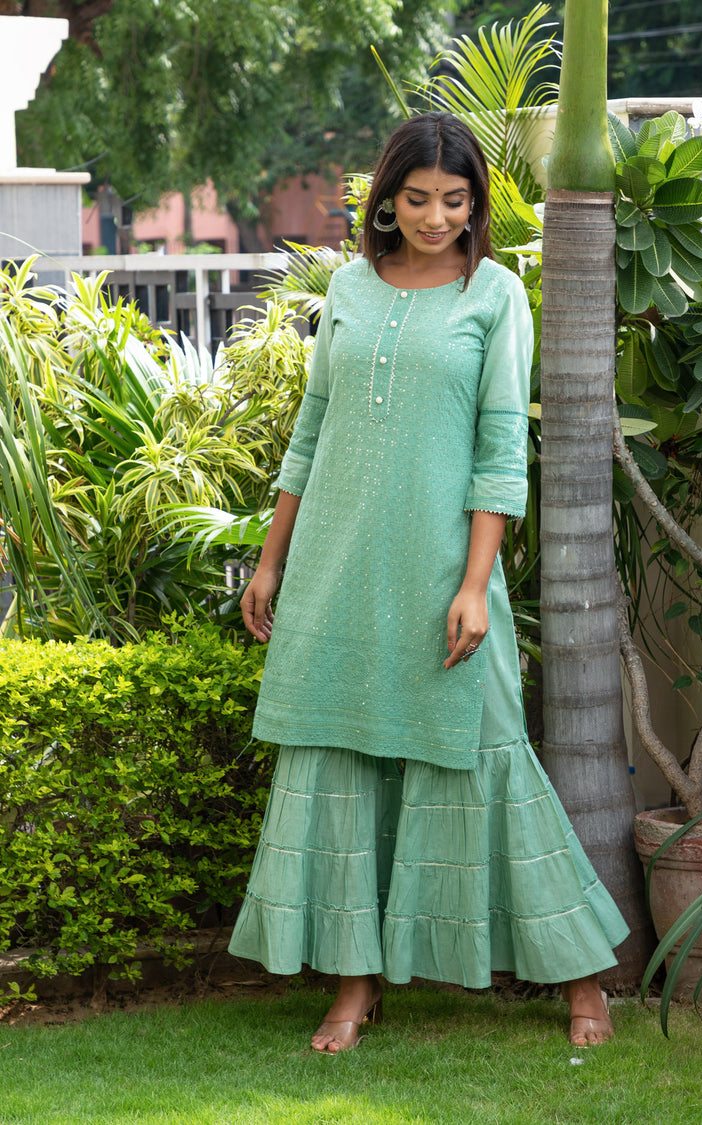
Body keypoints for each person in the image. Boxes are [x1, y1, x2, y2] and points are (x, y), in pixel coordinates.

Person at [228, 111, 629, 1053]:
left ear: (475, 204)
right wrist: (274, 557)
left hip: (445, 570)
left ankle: (585, 976)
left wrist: (474, 582)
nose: (436, 216)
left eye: (454, 200)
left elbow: (500, 453)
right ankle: (356, 986)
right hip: (334, 560)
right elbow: (310, 432)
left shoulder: (496, 296)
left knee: (489, 750)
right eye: (418, 199)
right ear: (387, 198)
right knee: (339, 759)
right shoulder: (351, 287)